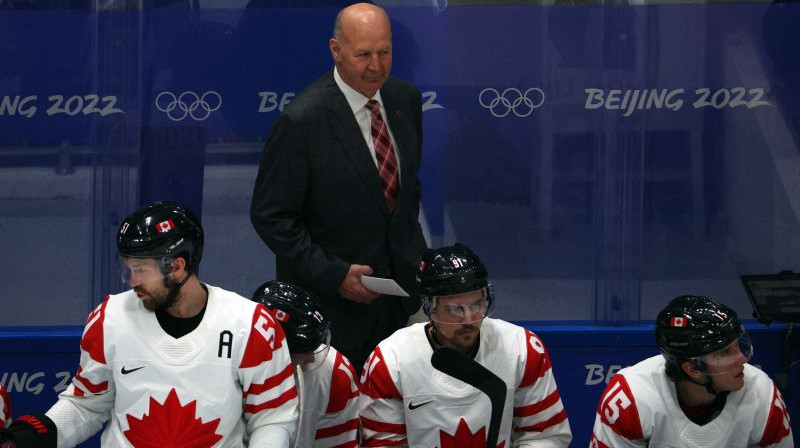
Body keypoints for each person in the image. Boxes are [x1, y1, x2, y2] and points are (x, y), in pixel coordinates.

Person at [0, 201, 298, 447]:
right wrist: (39, 434)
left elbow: (273, 418)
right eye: (128, 269)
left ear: (178, 267)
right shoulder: (109, 319)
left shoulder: (252, 326)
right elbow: (87, 405)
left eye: (141, 270)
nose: (132, 282)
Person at [249, 2, 427, 372]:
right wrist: (334, 275)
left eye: (384, 52)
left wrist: (418, 263)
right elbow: (272, 217)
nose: (376, 66)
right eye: (363, 55)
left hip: (398, 302)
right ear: (336, 50)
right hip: (332, 309)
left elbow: (406, 193)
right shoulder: (302, 120)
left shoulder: (404, 100)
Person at [359, 243, 573, 447]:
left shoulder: (522, 349)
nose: (469, 319)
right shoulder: (390, 360)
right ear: (429, 307)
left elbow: (545, 436)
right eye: (455, 309)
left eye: (477, 305)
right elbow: (382, 443)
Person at [590, 295, 794, 447]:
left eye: (738, 345)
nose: (741, 358)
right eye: (725, 353)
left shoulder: (763, 393)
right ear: (692, 368)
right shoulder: (630, 398)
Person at [252, 280, 361, 448]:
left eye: (314, 347)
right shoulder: (223, 367)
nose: (312, 359)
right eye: (304, 352)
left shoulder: (334, 375)